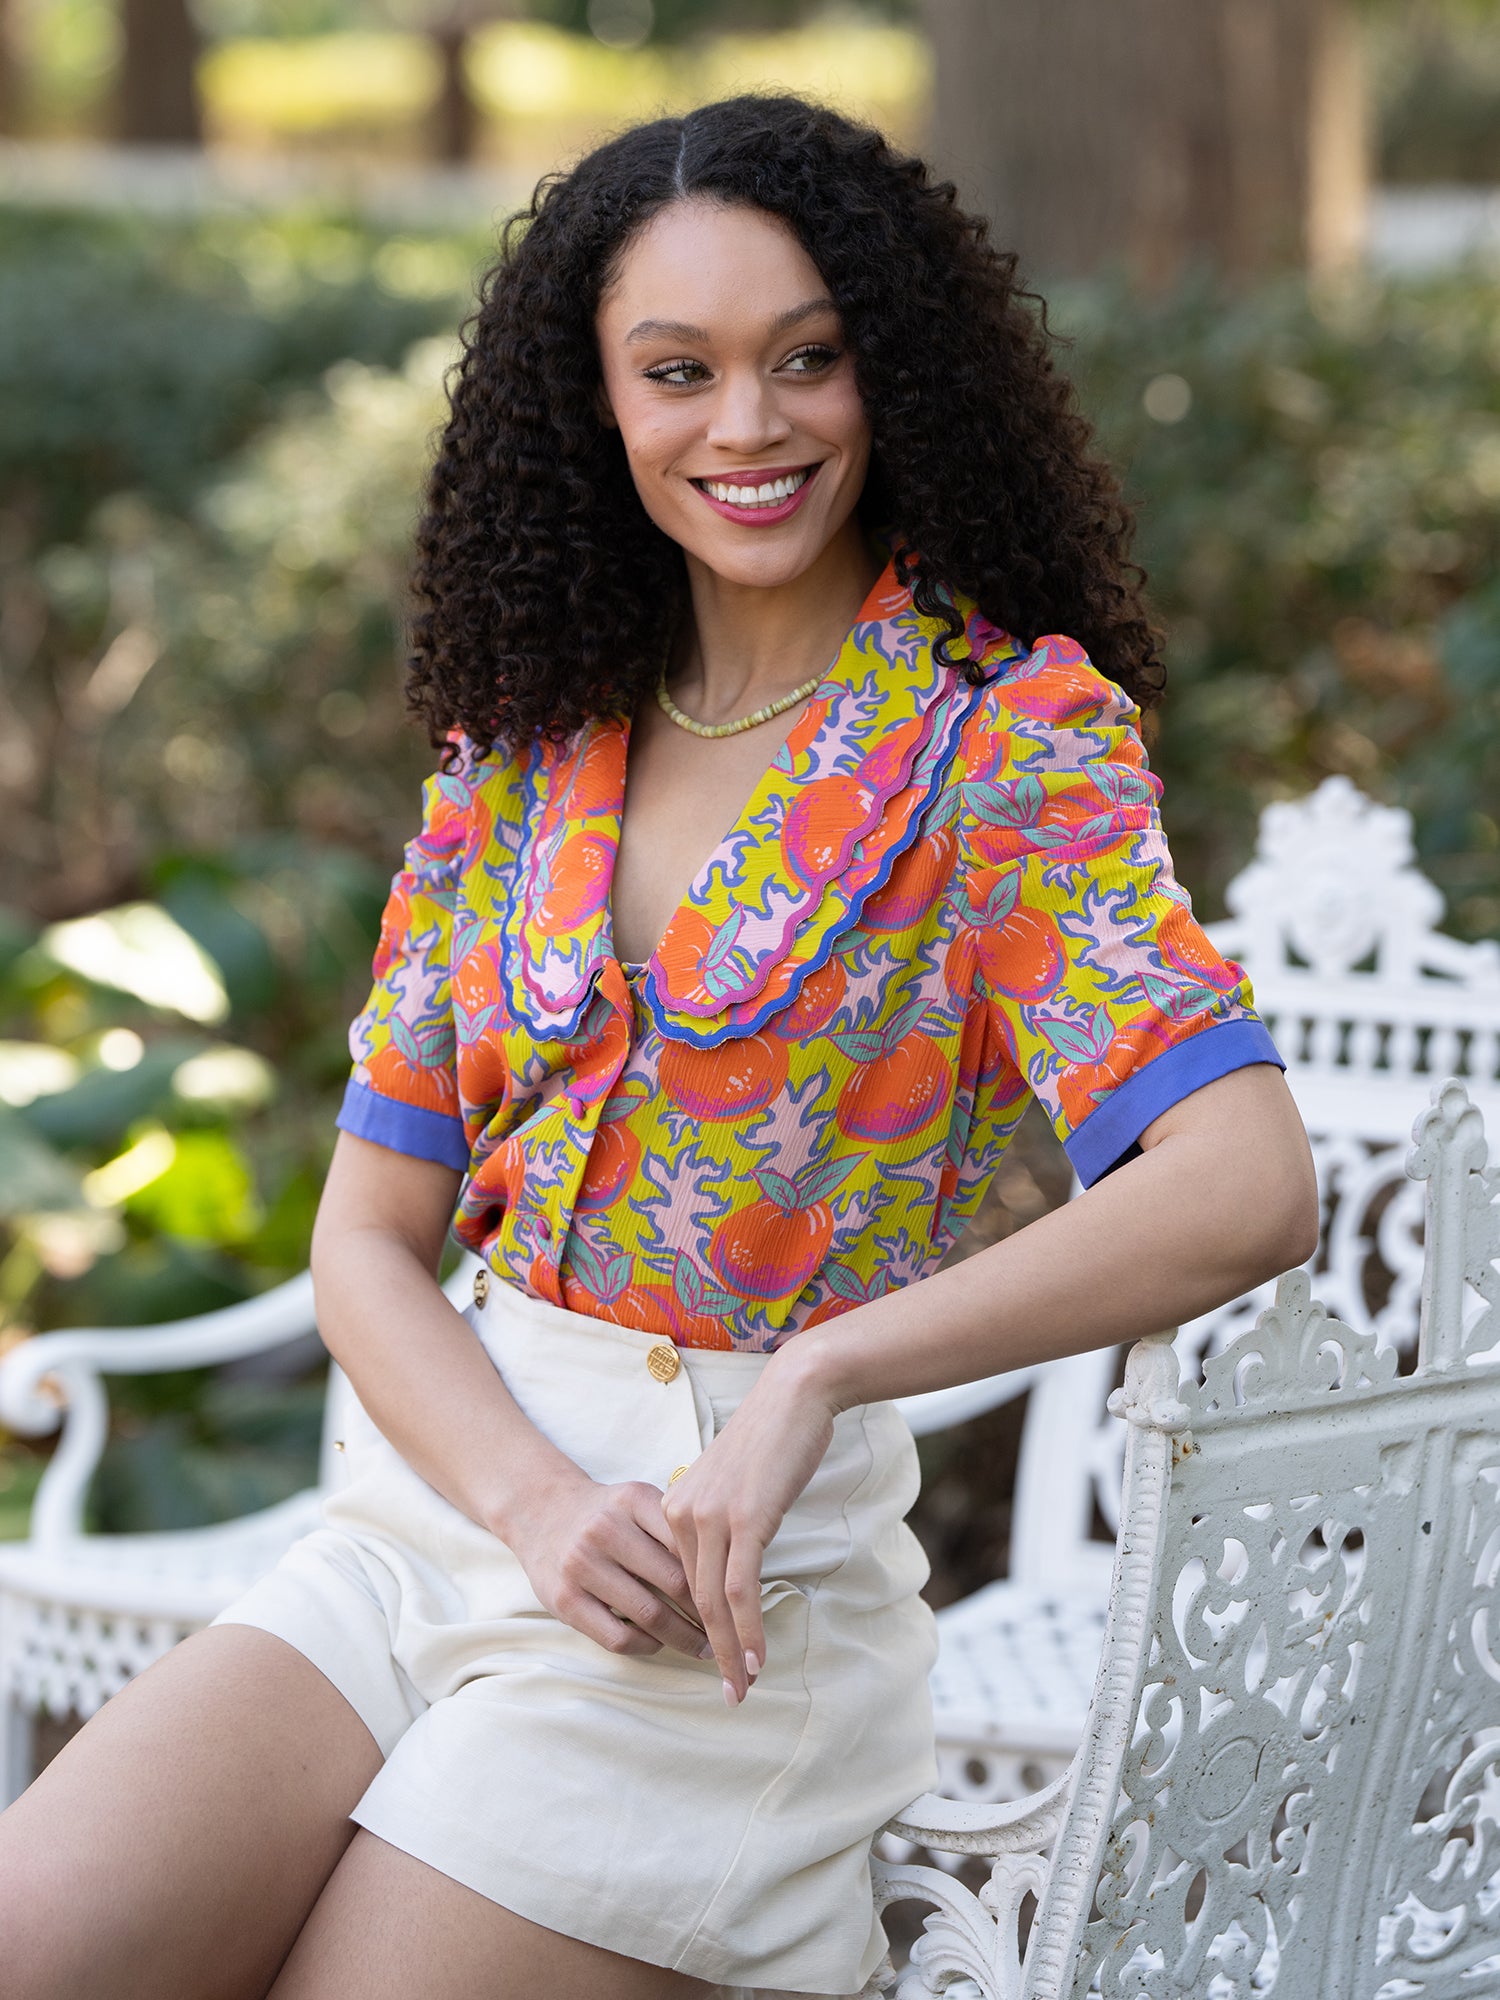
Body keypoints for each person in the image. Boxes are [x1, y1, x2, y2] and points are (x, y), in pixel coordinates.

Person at [0, 94, 1318, 2000]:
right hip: (435, 1519)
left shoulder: (1001, 739)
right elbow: (367, 1239)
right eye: (678, 371)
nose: (748, 425)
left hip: (717, 1611)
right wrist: (530, 1501)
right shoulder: (530, 737)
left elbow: (1247, 1183)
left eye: (809, 358)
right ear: (598, 401)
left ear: (894, 371)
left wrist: (820, 1376)